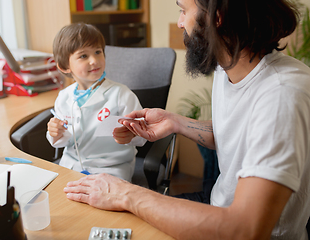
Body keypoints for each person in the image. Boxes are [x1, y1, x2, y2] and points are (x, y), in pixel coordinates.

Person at [63, 1, 310, 239]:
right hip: (217, 207)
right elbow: (238, 136)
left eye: (183, 11)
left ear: (216, 17)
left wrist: (126, 193)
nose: (180, 23)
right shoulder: (229, 70)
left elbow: (244, 230)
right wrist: (176, 122)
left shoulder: (282, 94)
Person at [47, 23, 146, 181]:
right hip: (71, 165)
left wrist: (132, 133)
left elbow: (142, 136)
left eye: (98, 52)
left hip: (112, 168)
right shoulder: (64, 97)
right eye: (83, 56)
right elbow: (64, 140)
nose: (94, 60)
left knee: (101, 202)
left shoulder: (121, 94)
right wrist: (55, 132)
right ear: (65, 66)